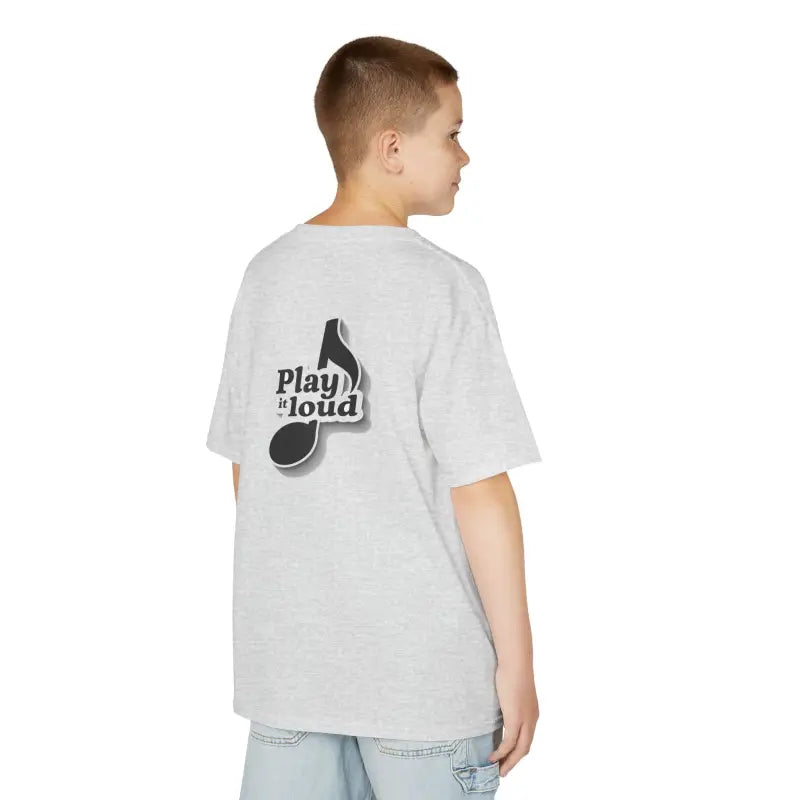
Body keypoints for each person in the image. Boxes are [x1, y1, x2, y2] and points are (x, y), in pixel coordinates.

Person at [206, 35, 543, 800]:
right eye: (452, 133)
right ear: (393, 147)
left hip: (290, 677)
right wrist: (517, 664)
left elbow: (248, 472)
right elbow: (480, 489)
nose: (465, 156)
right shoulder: (443, 286)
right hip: (422, 684)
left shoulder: (267, 276)